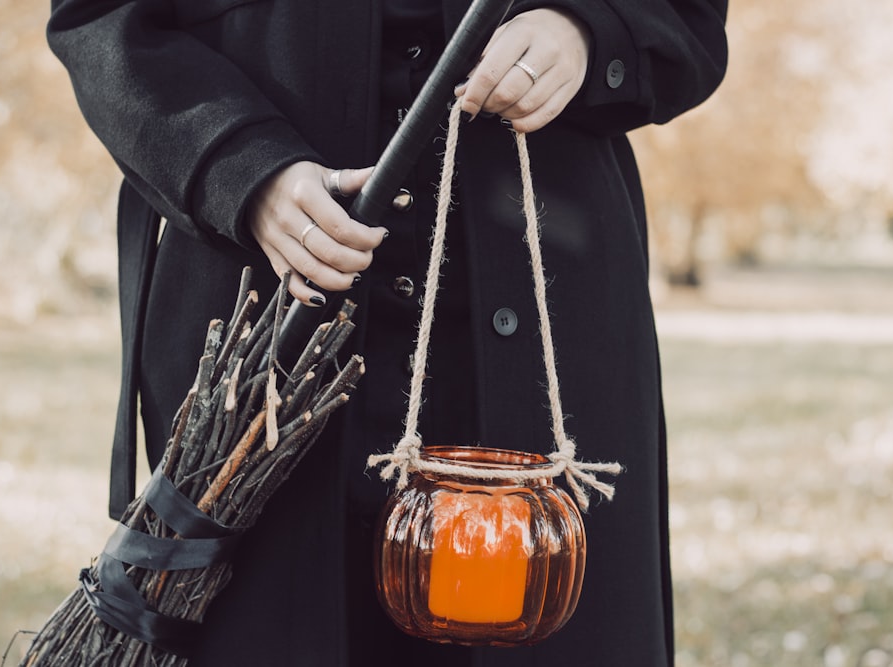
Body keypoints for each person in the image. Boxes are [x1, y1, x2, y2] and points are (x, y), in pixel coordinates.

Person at [47, 1, 728, 664]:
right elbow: (101, 19)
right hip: (263, 328)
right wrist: (240, 166)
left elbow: (688, 16)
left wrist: (585, 30)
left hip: (547, 327)